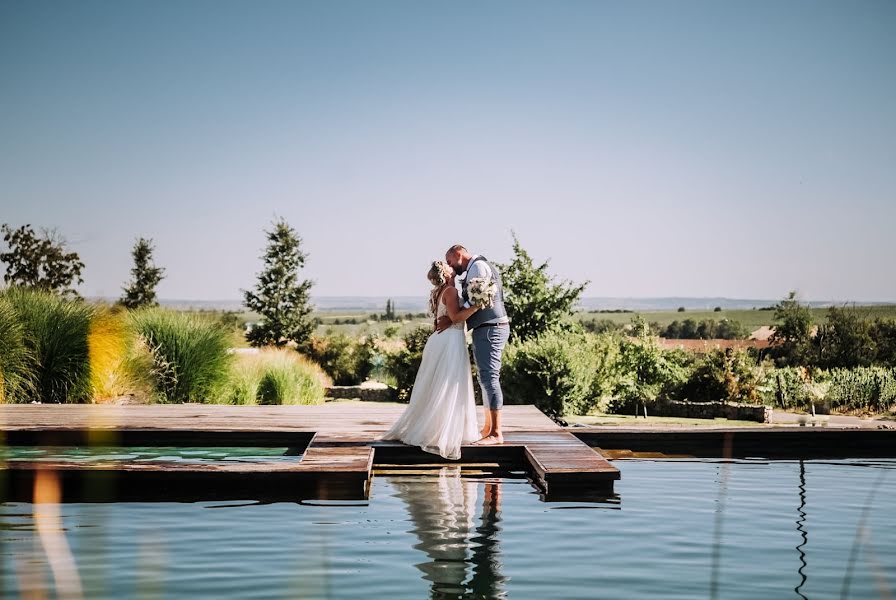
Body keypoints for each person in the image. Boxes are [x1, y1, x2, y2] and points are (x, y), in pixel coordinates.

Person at [381, 261, 481, 460]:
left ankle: (436, 428)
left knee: (438, 386)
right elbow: (456, 317)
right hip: (450, 341)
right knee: (448, 386)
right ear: (446, 272)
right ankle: (441, 432)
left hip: (440, 340)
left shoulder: (439, 291)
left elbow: (445, 317)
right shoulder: (450, 291)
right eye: (449, 266)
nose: (454, 268)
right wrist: (478, 305)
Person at [440, 244, 510, 445]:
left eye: (450, 261)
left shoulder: (478, 267)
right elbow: (474, 301)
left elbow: (478, 300)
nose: (450, 267)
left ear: (458, 254)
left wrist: (453, 319)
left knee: (489, 377)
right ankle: (488, 428)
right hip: (485, 327)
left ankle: (496, 433)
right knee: (485, 377)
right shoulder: (473, 269)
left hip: (492, 327)